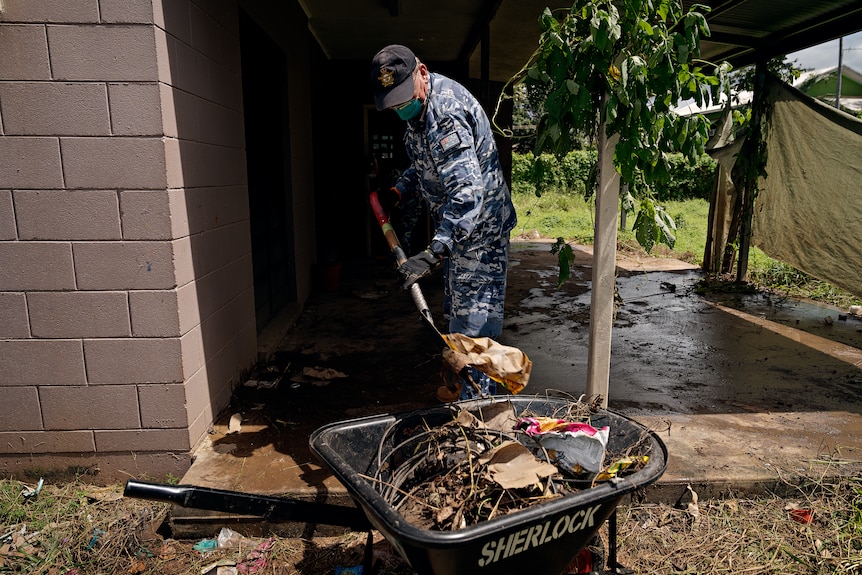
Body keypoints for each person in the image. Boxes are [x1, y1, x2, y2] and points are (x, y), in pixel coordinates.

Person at [369, 44, 517, 400]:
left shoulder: (446, 114)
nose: (401, 106)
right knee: (458, 322)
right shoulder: (419, 117)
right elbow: (428, 165)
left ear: (422, 71)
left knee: (474, 330)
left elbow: (467, 193)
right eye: (393, 102)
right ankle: (469, 400)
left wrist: (434, 252)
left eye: (404, 97)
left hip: (480, 236)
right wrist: (399, 191)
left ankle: (478, 414)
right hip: (462, 237)